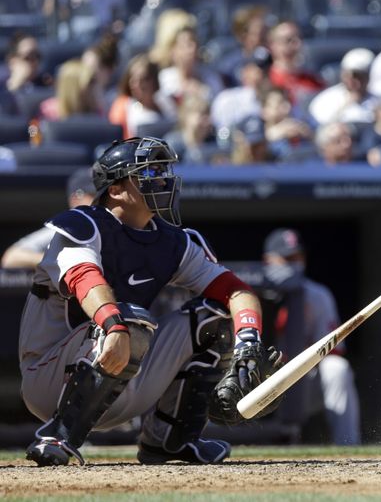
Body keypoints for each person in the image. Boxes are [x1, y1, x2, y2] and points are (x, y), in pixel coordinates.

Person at [19, 137, 284, 466]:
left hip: (120, 372)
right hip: (49, 379)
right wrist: (113, 325)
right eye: (148, 172)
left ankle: (169, 440)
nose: (163, 179)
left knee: (214, 317)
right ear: (115, 189)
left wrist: (248, 341)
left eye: (163, 170)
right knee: (129, 319)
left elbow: (235, 291)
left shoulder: (173, 242)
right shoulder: (84, 224)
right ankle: (59, 434)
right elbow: (84, 278)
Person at [263, 228, 361, 445]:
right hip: (258, 382)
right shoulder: (249, 293)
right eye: (287, 258)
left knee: (337, 368)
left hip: (300, 383)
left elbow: (333, 350)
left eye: (297, 257)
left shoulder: (318, 295)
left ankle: (348, 445)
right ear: (268, 260)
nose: (294, 263)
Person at [1, 167, 96, 269]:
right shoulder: (66, 229)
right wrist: (61, 261)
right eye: (94, 195)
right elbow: (12, 257)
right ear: (76, 198)